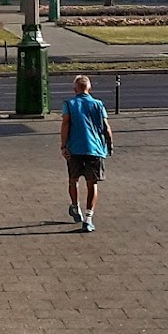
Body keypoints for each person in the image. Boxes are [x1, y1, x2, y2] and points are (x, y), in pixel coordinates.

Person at [60, 74, 113, 232]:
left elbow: (65, 124)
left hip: (74, 148)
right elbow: (106, 127)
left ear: (74, 89)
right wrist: (109, 144)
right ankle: (89, 218)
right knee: (92, 183)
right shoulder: (98, 104)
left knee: (73, 180)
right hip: (94, 149)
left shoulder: (69, 104)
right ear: (89, 88)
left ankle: (75, 206)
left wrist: (63, 146)